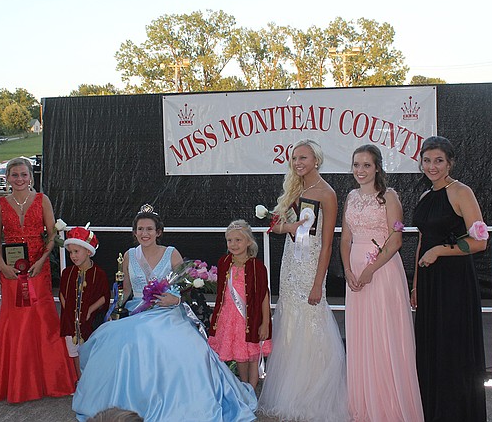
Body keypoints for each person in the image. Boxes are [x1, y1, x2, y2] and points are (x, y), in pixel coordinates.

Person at [72, 205, 258, 422]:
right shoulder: (130, 256)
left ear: (158, 232)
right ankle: (129, 403)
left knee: (173, 343)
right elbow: (127, 289)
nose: (145, 233)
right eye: (140, 229)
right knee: (116, 339)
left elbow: (184, 287)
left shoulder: (171, 253)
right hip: (138, 310)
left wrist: (175, 299)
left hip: (167, 310)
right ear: (134, 232)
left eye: (149, 229)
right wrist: (116, 310)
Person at [257, 139, 349, 422]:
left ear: (316, 160)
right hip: (290, 265)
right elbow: (276, 227)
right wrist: (289, 226)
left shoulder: (327, 193)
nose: (298, 163)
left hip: (311, 268)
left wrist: (317, 282)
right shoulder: (294, 189)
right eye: (295, 158)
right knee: (290, 323)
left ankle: (312, 392)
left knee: (311, 323)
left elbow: (327, 244)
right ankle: (288, 390)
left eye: (303, 158)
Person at [0, 157, 77, 402]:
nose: (19, 179)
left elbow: (52, 235)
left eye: (23, 175)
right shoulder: (0, 204)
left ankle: (50, 378)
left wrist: (42, 261)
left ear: (31, 177)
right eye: (14, 175)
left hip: (37, 269)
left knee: (42, 319)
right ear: (7, 178)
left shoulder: (43, 200)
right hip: (10, 271)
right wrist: (2, 266)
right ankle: (16, 380)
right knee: (14, 320)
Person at [339, 144, 423, 421]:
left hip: (383, 271)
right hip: (356, 273)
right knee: (361, 335)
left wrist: (370, 270)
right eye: (356, 165)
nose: (360, 171)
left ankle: (389, 403)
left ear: (377, 168)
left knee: (385, 333)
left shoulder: (389, 197)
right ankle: (364, 402)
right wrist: (349, 270)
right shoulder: (350, 197)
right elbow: (346, 239)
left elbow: (396, 240)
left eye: (366, 165)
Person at [411, 136, 488, 422]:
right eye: (427, 160)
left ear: (450, 163)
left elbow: (480, 242)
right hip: (430, 282)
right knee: (432, 348)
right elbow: (421, 242)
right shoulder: (424, 196)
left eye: (438, 160)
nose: (432, 166)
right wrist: (416, 284)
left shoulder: (461, 192)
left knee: (453, 349)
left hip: (455, 282)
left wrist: (441, 251)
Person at [208, 219, 272, 391]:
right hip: (230, 318)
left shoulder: (257, 266)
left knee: (252, 354)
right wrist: (216, 315)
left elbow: (264, 296)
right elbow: (221, 293)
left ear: (249, 241)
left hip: (250, 318)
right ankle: (244, 388)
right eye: (230, 240)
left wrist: (265, 322)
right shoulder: (224, 263)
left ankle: (252, 388)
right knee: (239, 355)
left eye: (238, 240)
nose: (234, 244)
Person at [59, 225, 109, 377]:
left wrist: (89, 310)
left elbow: (104, 297)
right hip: (71, 322)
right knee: (73, 351)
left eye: (76, 251)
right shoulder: (67, 273)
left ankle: (91, 379)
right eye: (71, 252)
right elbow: (62, 294)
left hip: (89, 321)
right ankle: (79, 380)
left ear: (88, 251)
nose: (73, 256)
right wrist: (68, 312)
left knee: (90, 349)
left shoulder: (98, 274)